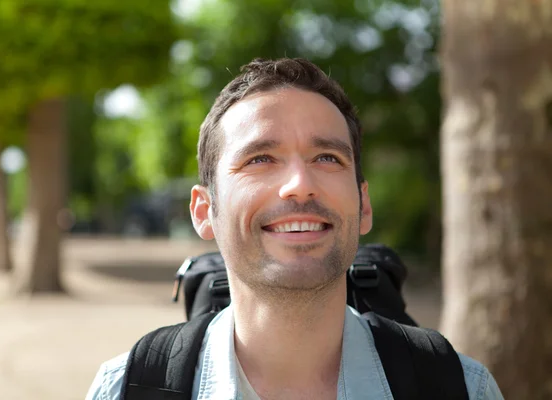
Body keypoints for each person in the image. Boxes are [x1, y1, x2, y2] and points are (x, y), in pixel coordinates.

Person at [86, 57, 503, 400]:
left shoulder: (463, 388)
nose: (300, 184)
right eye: (260, 159)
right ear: (203, 210)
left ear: (364, 205)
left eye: (327, 158)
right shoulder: (124, 389)